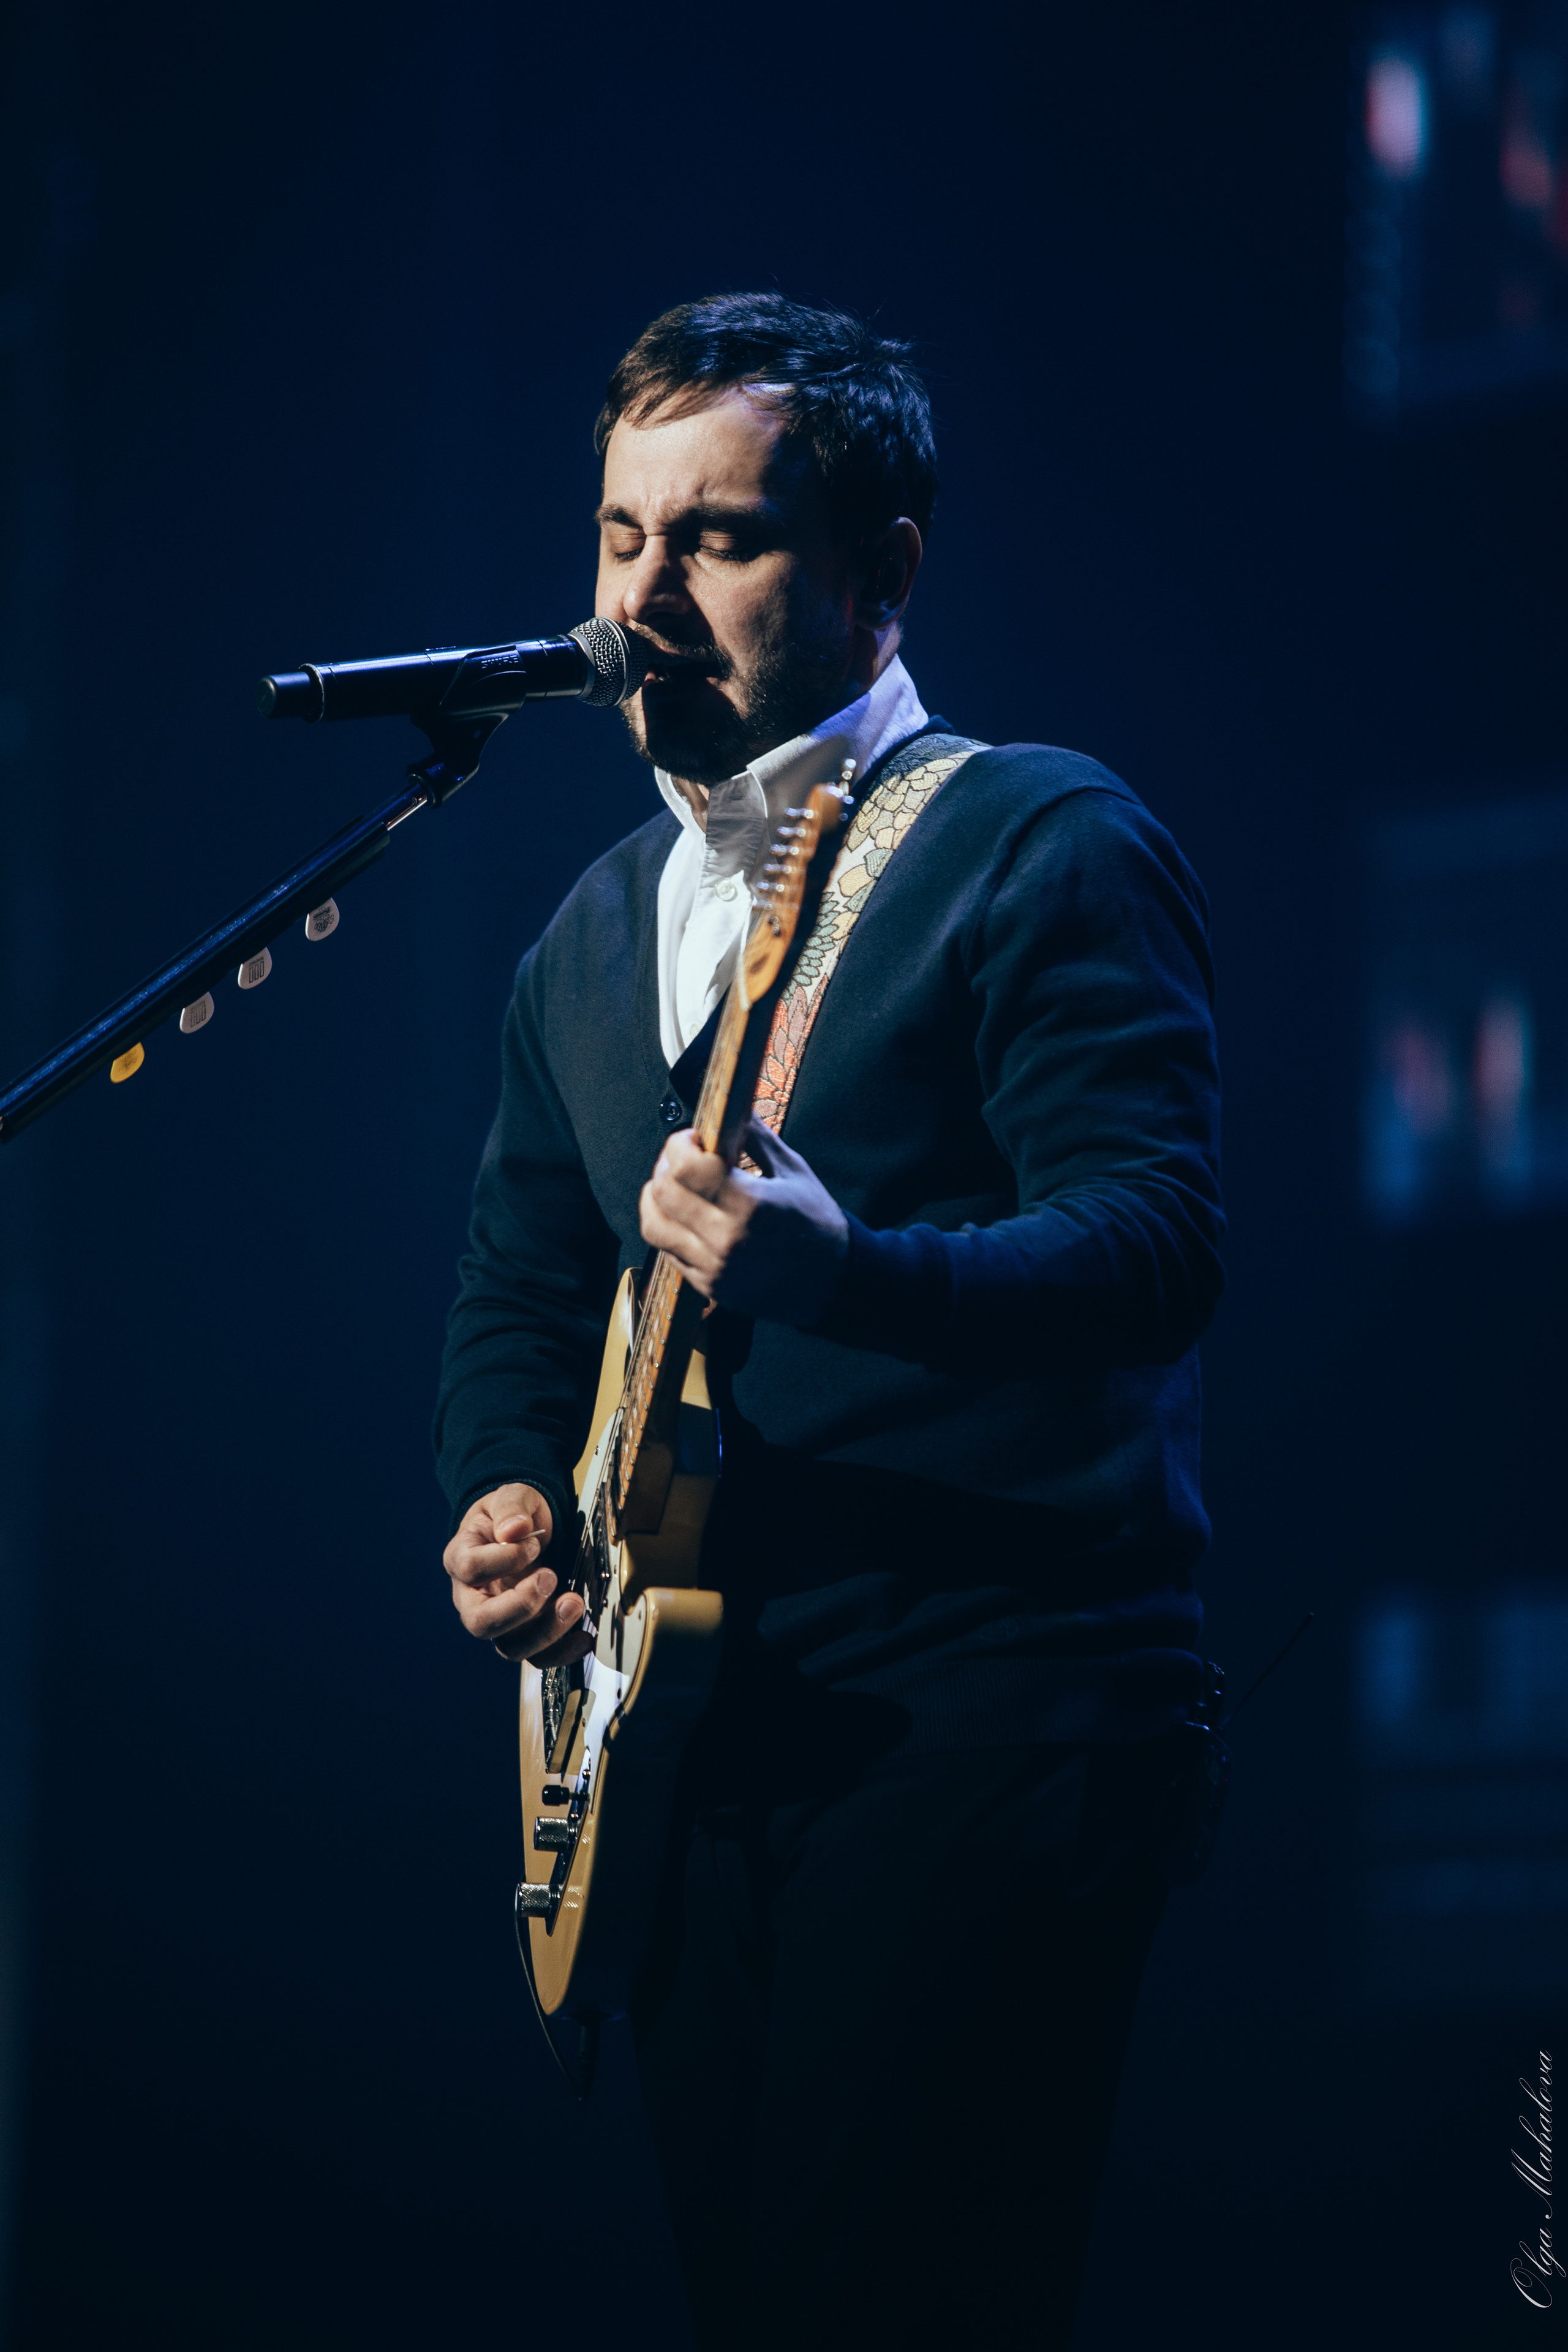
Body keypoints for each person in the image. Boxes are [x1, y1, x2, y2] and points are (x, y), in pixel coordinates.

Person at [435, 293, 1224, 2351]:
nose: (647, 596)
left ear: (884, 569)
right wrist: (509, 1487)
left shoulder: (1036, 837)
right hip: (695, 1741)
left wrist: (848, 1269)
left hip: (988, 1711)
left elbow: (1154, 1245)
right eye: (620, 539)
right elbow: (523, 1285)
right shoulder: (592, 936)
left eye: (719, 538)